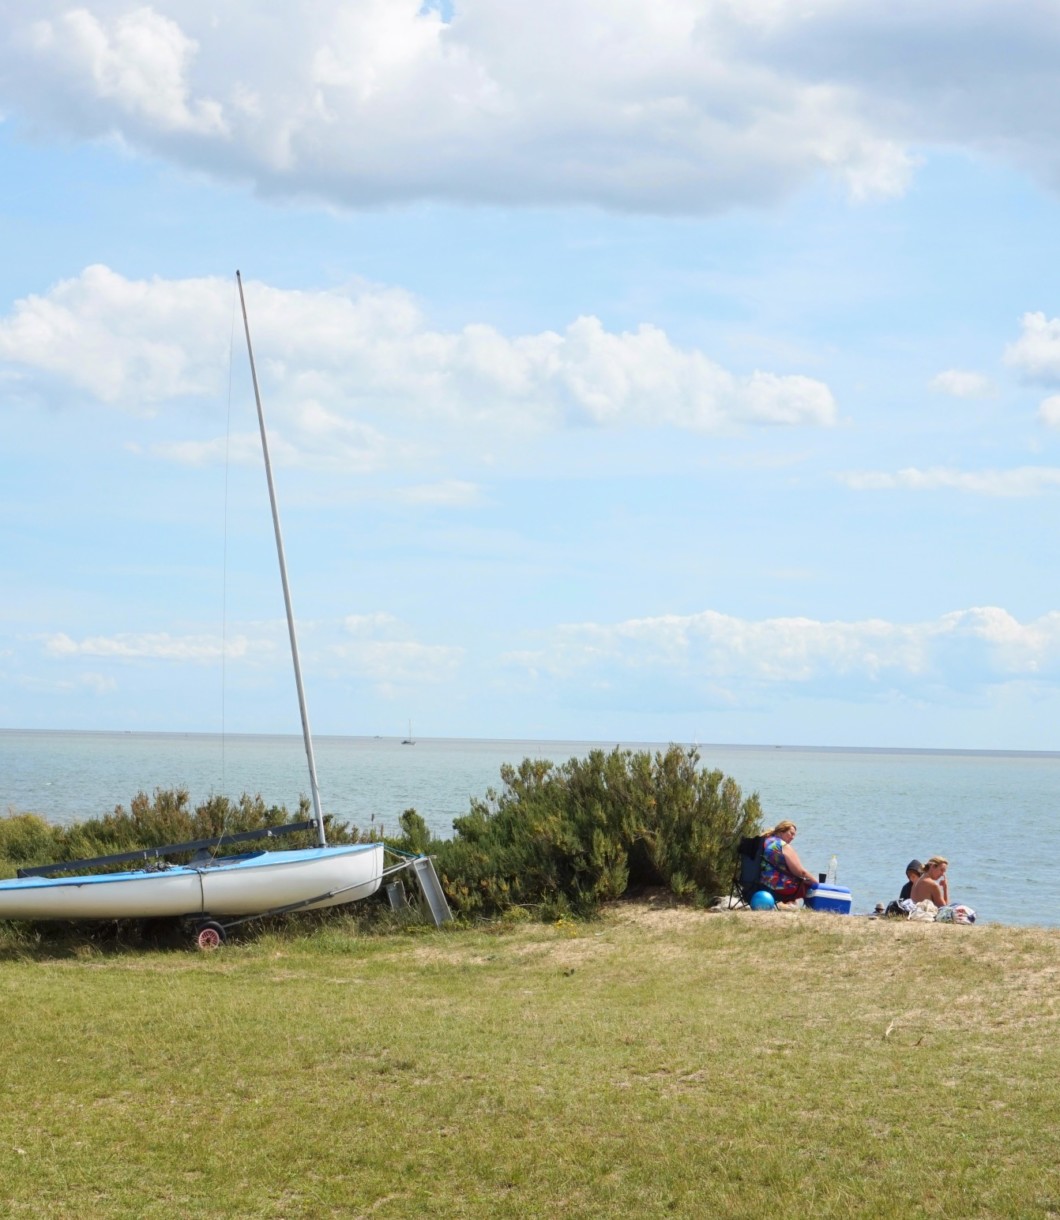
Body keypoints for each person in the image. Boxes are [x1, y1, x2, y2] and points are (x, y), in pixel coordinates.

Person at [759, 820, 818, 904]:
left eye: (794, 835)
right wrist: (817, 884)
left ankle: (792, 904)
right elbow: (801, 872)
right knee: (809, 885)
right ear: (781, 832)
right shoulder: (782, 845)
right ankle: (812, 907)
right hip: (776, 886)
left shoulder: (766, 840)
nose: (793, 837)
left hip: (761, 882)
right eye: (791, 833)